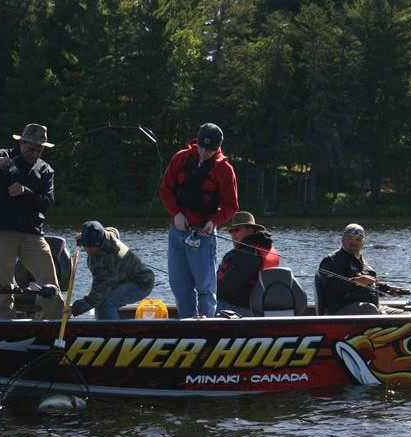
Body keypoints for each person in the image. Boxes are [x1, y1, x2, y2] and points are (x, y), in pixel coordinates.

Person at [0, 123, 65, 319]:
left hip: (32, 233)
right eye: (31, 148)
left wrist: (25, 192)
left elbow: (46, 203)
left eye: (39, 149)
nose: (35, 153)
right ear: (22, 142)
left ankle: (56, 321)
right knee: (2, 283)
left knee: (49, 279)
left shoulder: (45, 170)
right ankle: (4, 322)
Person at [159, 123, 239, 318]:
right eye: (202, 147)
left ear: (217, 148)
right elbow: (165, 189)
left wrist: (213, 222)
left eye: (209, 149)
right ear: (197, 143)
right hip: (177, 233)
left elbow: (231, 206)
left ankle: (206, 326)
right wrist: (176, 213)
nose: (204, 152)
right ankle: (187, 324)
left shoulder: (225, 170)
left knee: (205, 287)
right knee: (180, 285)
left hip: (203, 235)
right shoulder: (181, 158)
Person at [68, 221, 155, 320]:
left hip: (141, 283)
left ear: (99, 243)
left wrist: (74, 309)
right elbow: (114, 230)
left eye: (92, 246)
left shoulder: (105, 262)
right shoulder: (107, 235)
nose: (89, 249)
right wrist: (84, 236)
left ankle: (112, 333)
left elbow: (96, 297)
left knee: (104, 303)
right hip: (122, 278)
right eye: (86, 245)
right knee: (102, 301)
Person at [318, 223, 406, 315]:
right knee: (370, 309)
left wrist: (387, 289)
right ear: (342, 239)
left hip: (373, 307)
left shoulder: (364, 264)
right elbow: (331, 287)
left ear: (363, 242)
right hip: (342, 310)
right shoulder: (332, 260)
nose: (354, 242)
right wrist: (356, 281)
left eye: (358, 239)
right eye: (350, 238)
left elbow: (370, 287)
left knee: (407, 316)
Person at [216, 211, 280, 316]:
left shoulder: (244, 255)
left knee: (205, 303)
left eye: (237, 230)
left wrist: (210, 287)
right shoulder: (265, 250)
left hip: (241, 309)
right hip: (260, 308)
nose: (233, 234)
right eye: (231, 231)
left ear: (250, 231)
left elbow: (227, 292)